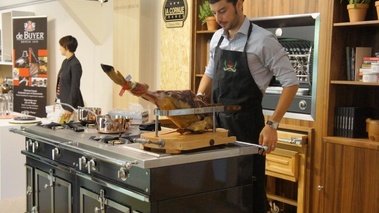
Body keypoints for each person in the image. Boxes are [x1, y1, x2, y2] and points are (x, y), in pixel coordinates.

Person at [196, 0, 299, 212]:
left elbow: (291, 82)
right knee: (219, 193)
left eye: (223, 11)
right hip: (218, 128)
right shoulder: (216, 38)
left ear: (239, 4)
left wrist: (273, 124)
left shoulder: (263, 40)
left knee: (247, 196)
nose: (218, 18)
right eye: (215, 13)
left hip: (248, 131)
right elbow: (211, 72)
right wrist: (198, 98)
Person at [55, 35, 84, 120]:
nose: (60, 48)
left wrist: (69, 108)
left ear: (66, 47)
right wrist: (56, 100)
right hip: (62, 103)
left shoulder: (75, 64)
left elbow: (75, 86)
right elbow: (61, 83)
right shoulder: (65, 62)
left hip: (70, 106)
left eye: (61, 46)